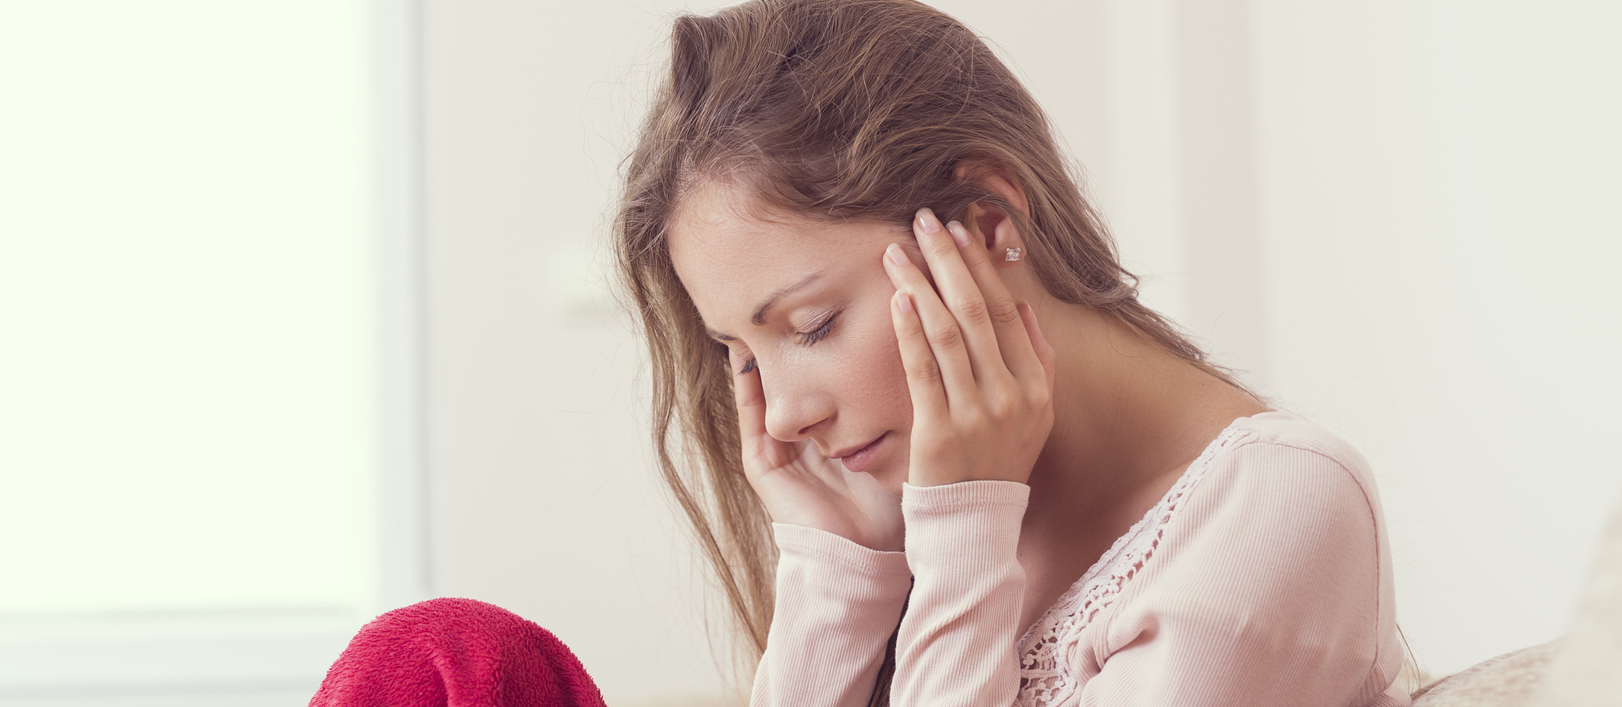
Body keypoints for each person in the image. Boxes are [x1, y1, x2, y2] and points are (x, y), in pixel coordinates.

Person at [315, 0, 1409, 705]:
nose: (779, 413)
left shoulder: (1274, 508)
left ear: (985, 219)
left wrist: (961, 529)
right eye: (741, 353)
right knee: (439, 661)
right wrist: (841, 572)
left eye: (810, 326)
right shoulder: (925, 511)